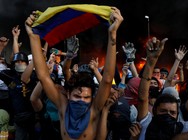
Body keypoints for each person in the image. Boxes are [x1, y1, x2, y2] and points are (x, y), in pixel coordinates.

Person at [25, 7, 123, 140]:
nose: (82, 101)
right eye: (77, 96)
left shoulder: (93, 109)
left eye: (86, 98)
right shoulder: (63, 106)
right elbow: (43, 77)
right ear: (68, 94)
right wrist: (33, 36)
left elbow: (107, 79)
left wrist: (112, 35)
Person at [137, 37, 188, 140]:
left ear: (177, 113)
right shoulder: (146, 124)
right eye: (163, 111)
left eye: (172, 113)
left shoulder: (184, 127)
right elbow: (142, 98)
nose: (168, 115)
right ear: (155, 110)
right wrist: (150, 63)